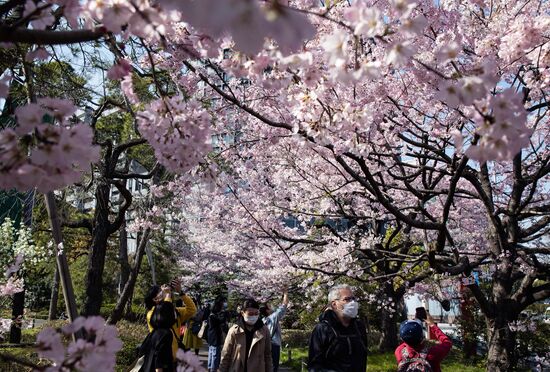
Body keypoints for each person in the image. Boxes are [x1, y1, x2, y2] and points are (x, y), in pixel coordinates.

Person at [307, 284, 368, 372]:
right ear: (334, 304)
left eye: (353, 299)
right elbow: (314, 366)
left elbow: (363, 359)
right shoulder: (322, 329)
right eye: (347, 299)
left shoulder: (359, 327)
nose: (353, 302)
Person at [145, 280, 197, 361]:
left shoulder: (175, 312)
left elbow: (192, 310)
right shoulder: (151, 314)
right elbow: (164, 317)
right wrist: (167, 295)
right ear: (155, 299)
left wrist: (181, 293)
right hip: (160, 358)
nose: (163, 291)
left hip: (175, 357)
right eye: (160, 291)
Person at [219, 298, 273, 372]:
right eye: (250, 314)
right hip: (238, 368)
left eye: (256, 313)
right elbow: (226, 354)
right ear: (242, 313)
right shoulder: (234, 330)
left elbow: (268, 355)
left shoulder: (264, 330)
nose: (253, 316)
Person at [140, 301, 177, 372]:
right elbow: (159, 358)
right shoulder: (166, 333)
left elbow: (142, 350)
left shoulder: (154, 332)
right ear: (169, 314)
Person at [260, 290, 289, 372]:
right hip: (274, 345)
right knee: (273, 367)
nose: (271, 307)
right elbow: (284, 305)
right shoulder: (273, 317)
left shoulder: (262, 321)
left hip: (264, 345)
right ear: (267, 310)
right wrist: (285, 291)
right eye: (269, 307)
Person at [207, 297, 229, 372]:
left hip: (211, 337)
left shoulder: (211, 314)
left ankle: (210, 368)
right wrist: (225, 314)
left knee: (211, 353)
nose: (223, 305)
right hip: (215, 337)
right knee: (215, 355)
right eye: (222, 304)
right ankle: (214, 369)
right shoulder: (213, 316)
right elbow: (221, 321)